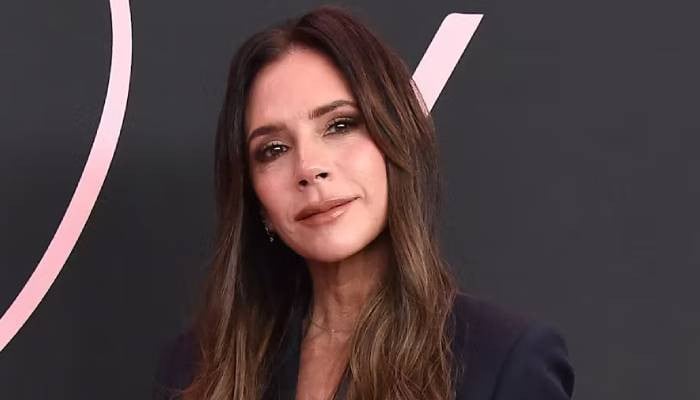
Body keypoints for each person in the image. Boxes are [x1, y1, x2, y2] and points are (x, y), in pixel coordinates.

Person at [153, 6, 574, 400]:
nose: (309, 168)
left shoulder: (502, 360)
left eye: (340, 125)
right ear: (255, 198)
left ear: (395, 138)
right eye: (274, 149)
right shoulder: (194, 366)